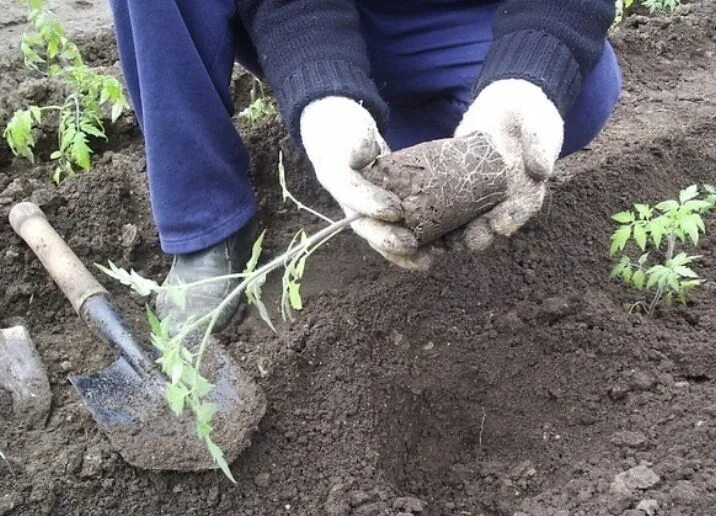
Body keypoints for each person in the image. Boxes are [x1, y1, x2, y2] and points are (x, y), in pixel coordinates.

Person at [108, 0, 621, 329]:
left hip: (454, 16)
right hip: (312, 13)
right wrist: (323, 94)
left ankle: (416, 125)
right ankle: (207, 224)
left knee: (570, 99)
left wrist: (526, 78)